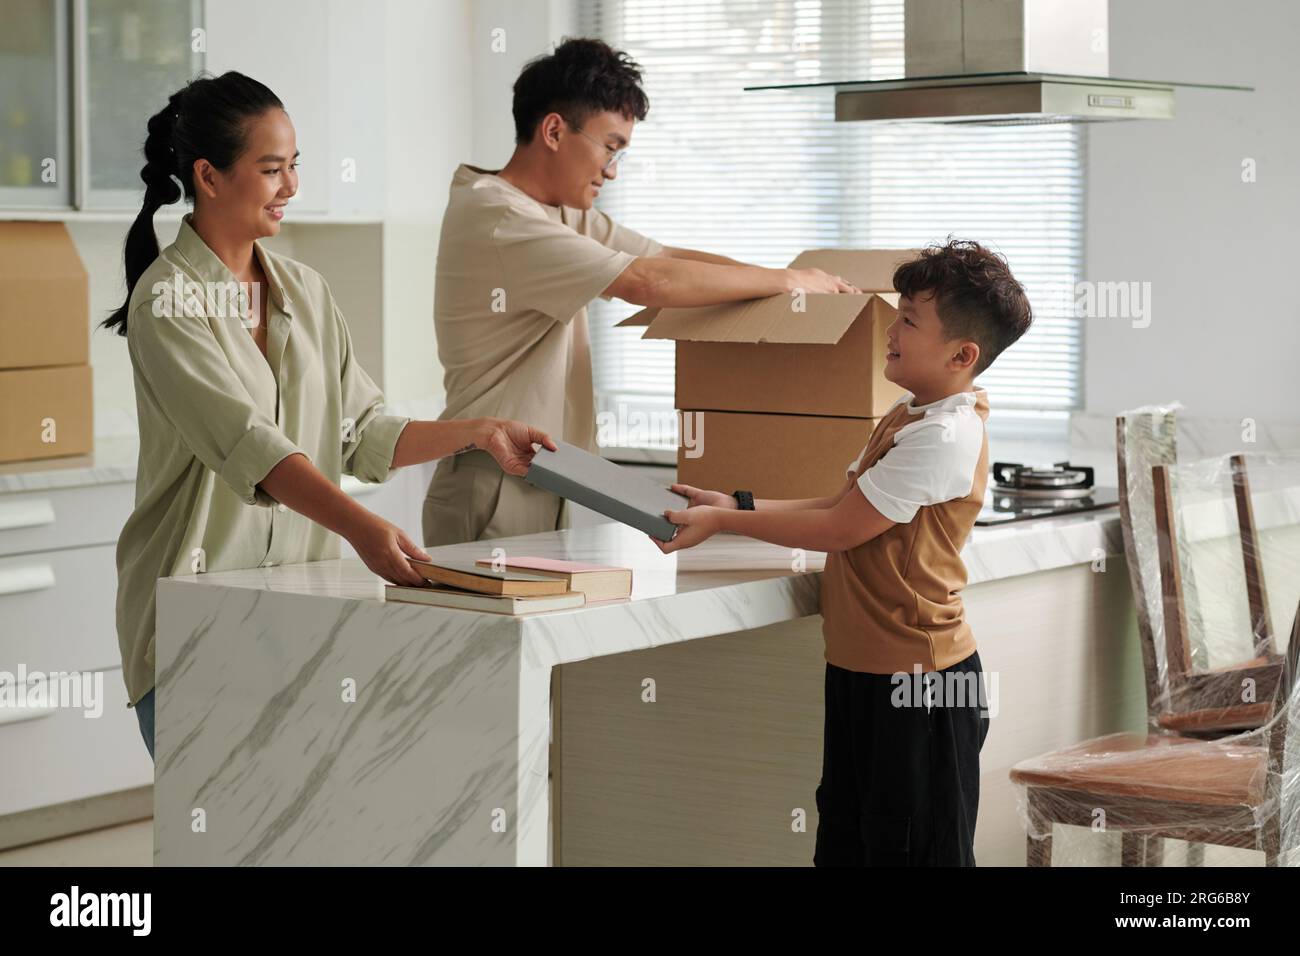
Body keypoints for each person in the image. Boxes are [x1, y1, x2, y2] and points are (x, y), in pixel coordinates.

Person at [102, 72, 554, 761]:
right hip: (192, 624)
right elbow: (250, 448)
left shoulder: (306, 293)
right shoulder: (168, 302)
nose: (292, 187)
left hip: (295, 619)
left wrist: (480, 432)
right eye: (272, 169)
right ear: (209, 176)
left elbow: (363, 433)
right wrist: (363, 527)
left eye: (296, 167)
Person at [654, 239, 1034, 866]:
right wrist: (734, 505)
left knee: (913, 854)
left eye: (909, 320)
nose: (892, 328)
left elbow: (838, 530)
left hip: (921, 683)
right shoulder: (908, 416)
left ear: (962, 354)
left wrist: (723, 519)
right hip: (863, 668)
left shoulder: (945, 433)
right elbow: (838, 504)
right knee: (848, 846)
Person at [424, 37, 859, 546]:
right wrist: (790, 281)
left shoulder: (564, 215)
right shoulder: (499, 217)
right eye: (610, 147)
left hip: (541, 472)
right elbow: (646, 282)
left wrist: (791, 280)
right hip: (491, 482)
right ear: (554, 130)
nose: (611, 171)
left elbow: (664, 259)